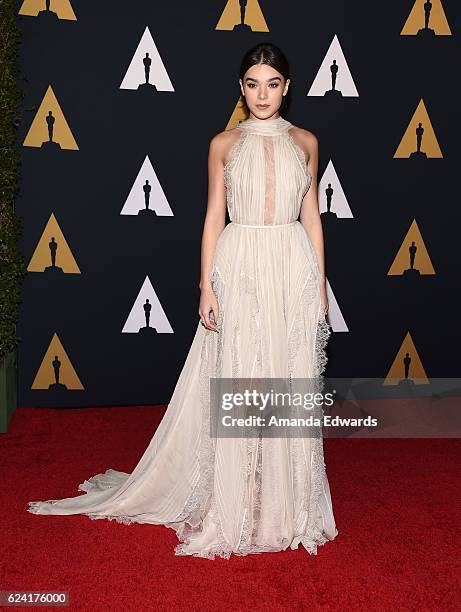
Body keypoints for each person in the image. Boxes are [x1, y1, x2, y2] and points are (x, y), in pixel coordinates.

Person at [28, 42, 339, 559]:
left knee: (287, 376)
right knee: (241, 373)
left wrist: (320, 284)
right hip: (239, 263)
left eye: (273, 84)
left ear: (288, 87)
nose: (263, 94)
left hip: (292, 265)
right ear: (240, 89)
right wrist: (207, 284)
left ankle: (286, 504)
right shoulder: (223, 143)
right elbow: (214, 217)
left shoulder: (306, 141)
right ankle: (235, 503)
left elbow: (312, 218)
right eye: (253, 84)